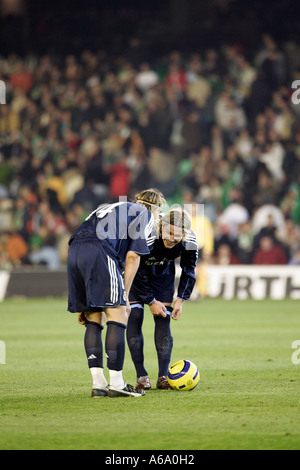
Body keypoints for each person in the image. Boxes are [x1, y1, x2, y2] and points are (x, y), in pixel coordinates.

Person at [67, 188, 165, 398]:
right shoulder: (144, 214)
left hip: (75, 249)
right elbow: (133, 257)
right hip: (100, 249)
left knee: (93, 317)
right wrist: (125, 296)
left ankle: (99, 384)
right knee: (118, 312)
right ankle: (117, 384)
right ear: (156, 209)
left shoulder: (108, 207)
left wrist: (88, 299)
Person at [126, 208, 198, 390]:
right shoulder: (148, 234)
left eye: (178, 235)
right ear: (161, 227)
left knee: (163, 319)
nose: (173, 238)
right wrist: (150, 300)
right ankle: (141, 376)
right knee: (134, 317)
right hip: (137, 274)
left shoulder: (190, 241)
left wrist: (180, 299)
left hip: (163, 274)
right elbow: (135, 265)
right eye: (170, 232)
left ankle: (163, 376)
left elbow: (189, 270)